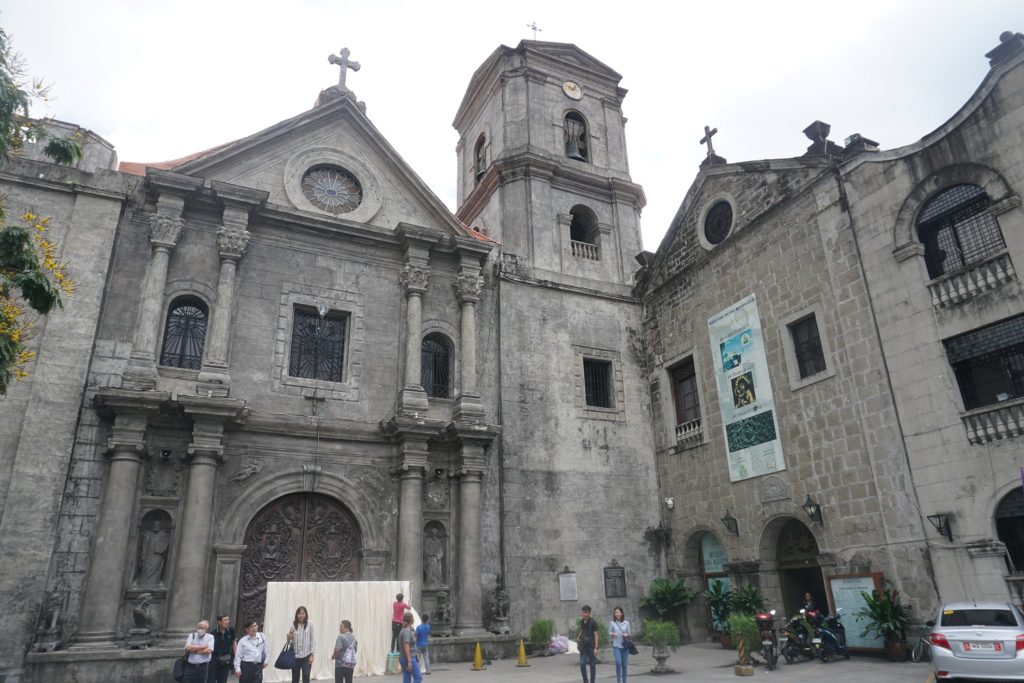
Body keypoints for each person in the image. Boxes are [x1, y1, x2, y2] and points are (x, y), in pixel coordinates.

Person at [287, 606, 316, 683]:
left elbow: (313, 639)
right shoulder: (293, 624)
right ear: (296, 615)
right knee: (295, 678)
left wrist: (312, 655)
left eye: (303, 613)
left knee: (306, 678)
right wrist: (288, 638)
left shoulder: (310, 624)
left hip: (306, 656)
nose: (301, 615)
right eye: (299, 613)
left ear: (306, 614)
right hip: (295, 656)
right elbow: (290, 642)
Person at [207, 613, 235, 683]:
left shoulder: (231, 631)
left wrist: (236, 656)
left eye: (228, 620)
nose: (227, 622)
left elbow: (234, 643)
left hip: (226, 658)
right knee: (211, 679)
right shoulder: (213, 633)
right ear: (219, 622)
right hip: (214, 659)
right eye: (225, 620)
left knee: (223, 680)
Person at [576, 605, 599, 683]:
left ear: (589, 613)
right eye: (583, 612)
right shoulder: (581, 622)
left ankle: (592, 681)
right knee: (582, 664)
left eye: (586, 613)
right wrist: (578, 641)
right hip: (583, 647)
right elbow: (582, 632)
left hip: (591, 647)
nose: (584, 614)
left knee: (592, 665)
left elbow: (596, 635)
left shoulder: (593, 622)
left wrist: (596, 647)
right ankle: (585, 681)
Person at [609, 606, 631, 683]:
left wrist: (626, 635)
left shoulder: (626, 623)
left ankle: (624, 681)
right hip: (616, 646)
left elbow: (629, 634)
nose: (616, 614)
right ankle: (619, 681)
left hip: (625, 647)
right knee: (618, 663)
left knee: (624, 665)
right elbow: (610, 632)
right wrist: (613, 634)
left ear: (621, 613)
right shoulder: (612, 623)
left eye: (617, 612)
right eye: (615, 612)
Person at [399, 612, 422, 683]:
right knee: (418, 677)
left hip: (404, 657)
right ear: (411, 620)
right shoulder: (406, 631)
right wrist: (409, 661)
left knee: (407, 677)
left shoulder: (406, 630)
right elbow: (406, 646)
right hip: (409, 658)